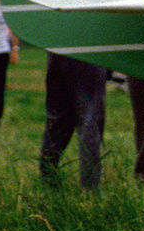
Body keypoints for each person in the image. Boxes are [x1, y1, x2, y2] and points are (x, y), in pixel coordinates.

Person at [40, 52, 108, 190]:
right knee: (89, 120)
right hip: (88, 51)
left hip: (57, 50)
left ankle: (47, 179)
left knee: (57, 119)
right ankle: (91, 188)